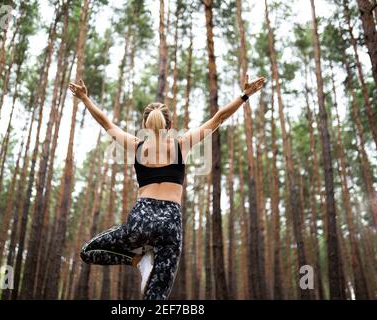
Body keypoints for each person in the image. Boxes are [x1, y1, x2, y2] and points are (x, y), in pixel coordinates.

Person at [69, 74, 265, 300]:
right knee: (156, 299)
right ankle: (144, 263)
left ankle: (138, 261)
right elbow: (218, 118)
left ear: (144, 124)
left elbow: (106, 123)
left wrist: (85, 98)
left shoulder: (136, 146)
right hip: (170, 224)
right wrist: (245, 95)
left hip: (140, 221)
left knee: (88, 252)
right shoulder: (181, 145)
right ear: (170, 125)